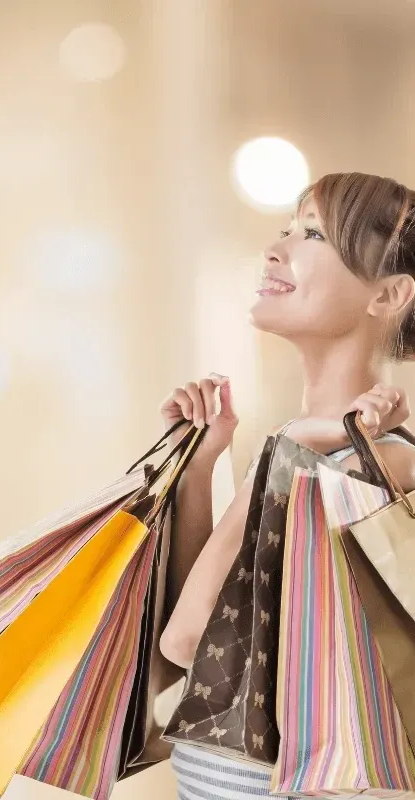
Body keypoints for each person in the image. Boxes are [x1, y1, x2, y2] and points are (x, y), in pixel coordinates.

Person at [158, 172, 415, 800]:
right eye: (285, 230)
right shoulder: (306, 454)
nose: (276, 250)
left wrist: (290, 447)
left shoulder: (374, 471)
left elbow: (188, 640)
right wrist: (201, 466)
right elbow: (200, 655)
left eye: (314, 235)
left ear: (388, 294)